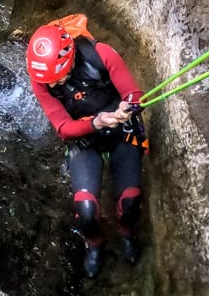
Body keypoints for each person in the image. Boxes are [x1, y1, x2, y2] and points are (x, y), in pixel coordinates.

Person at [25, 16, 148, 278]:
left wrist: (129, 106)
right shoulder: (41, 81)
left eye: (56, 79)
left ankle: (127, 233)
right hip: (85, 140)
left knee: (130, 202)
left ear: (69, 61)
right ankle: (95, 244)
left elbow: (134, 95)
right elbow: (62, 127)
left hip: (120, 132)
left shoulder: (100, 54)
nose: (52, 85)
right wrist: (95, 122)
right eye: (47, 81)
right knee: (86, 210)